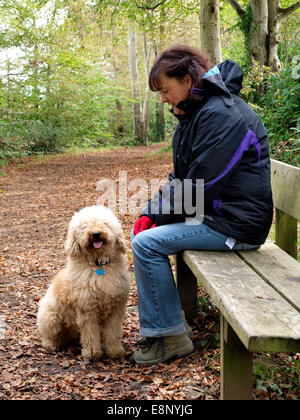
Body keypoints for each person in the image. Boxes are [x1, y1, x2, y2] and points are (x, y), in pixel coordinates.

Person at [130, 45, 273, 366]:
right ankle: (163, 327)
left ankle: (170, 337)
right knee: (143, 234)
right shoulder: (199, 112)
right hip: (216, 215)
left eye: (166, 90)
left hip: (236, 224)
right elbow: (181, 177)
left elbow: (201, 186)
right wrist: (150, 212)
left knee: (145, 245)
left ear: (186, 78)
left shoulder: (223, 115)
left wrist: (155, 216)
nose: (164, 98)